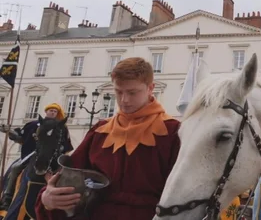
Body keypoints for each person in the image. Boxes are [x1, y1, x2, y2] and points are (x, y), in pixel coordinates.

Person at [34, 57, 181, 220]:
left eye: (132, 92)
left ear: (150, 88)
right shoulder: (100, 131)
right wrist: (47, 199)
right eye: (118, 92)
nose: (124, 100)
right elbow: (66, 179)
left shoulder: (174, 132)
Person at [0, 103, 73, 209]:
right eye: (51, 110)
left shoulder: (62, 127)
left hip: (53, 156)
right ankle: (7, 198)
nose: (53, 112)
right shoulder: (33, 124)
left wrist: (60, 149)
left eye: (55, 111)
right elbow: (21, 138)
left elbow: (66, 144)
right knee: (15, 168)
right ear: (46, 112)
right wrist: (10, 132)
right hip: (32, 155)